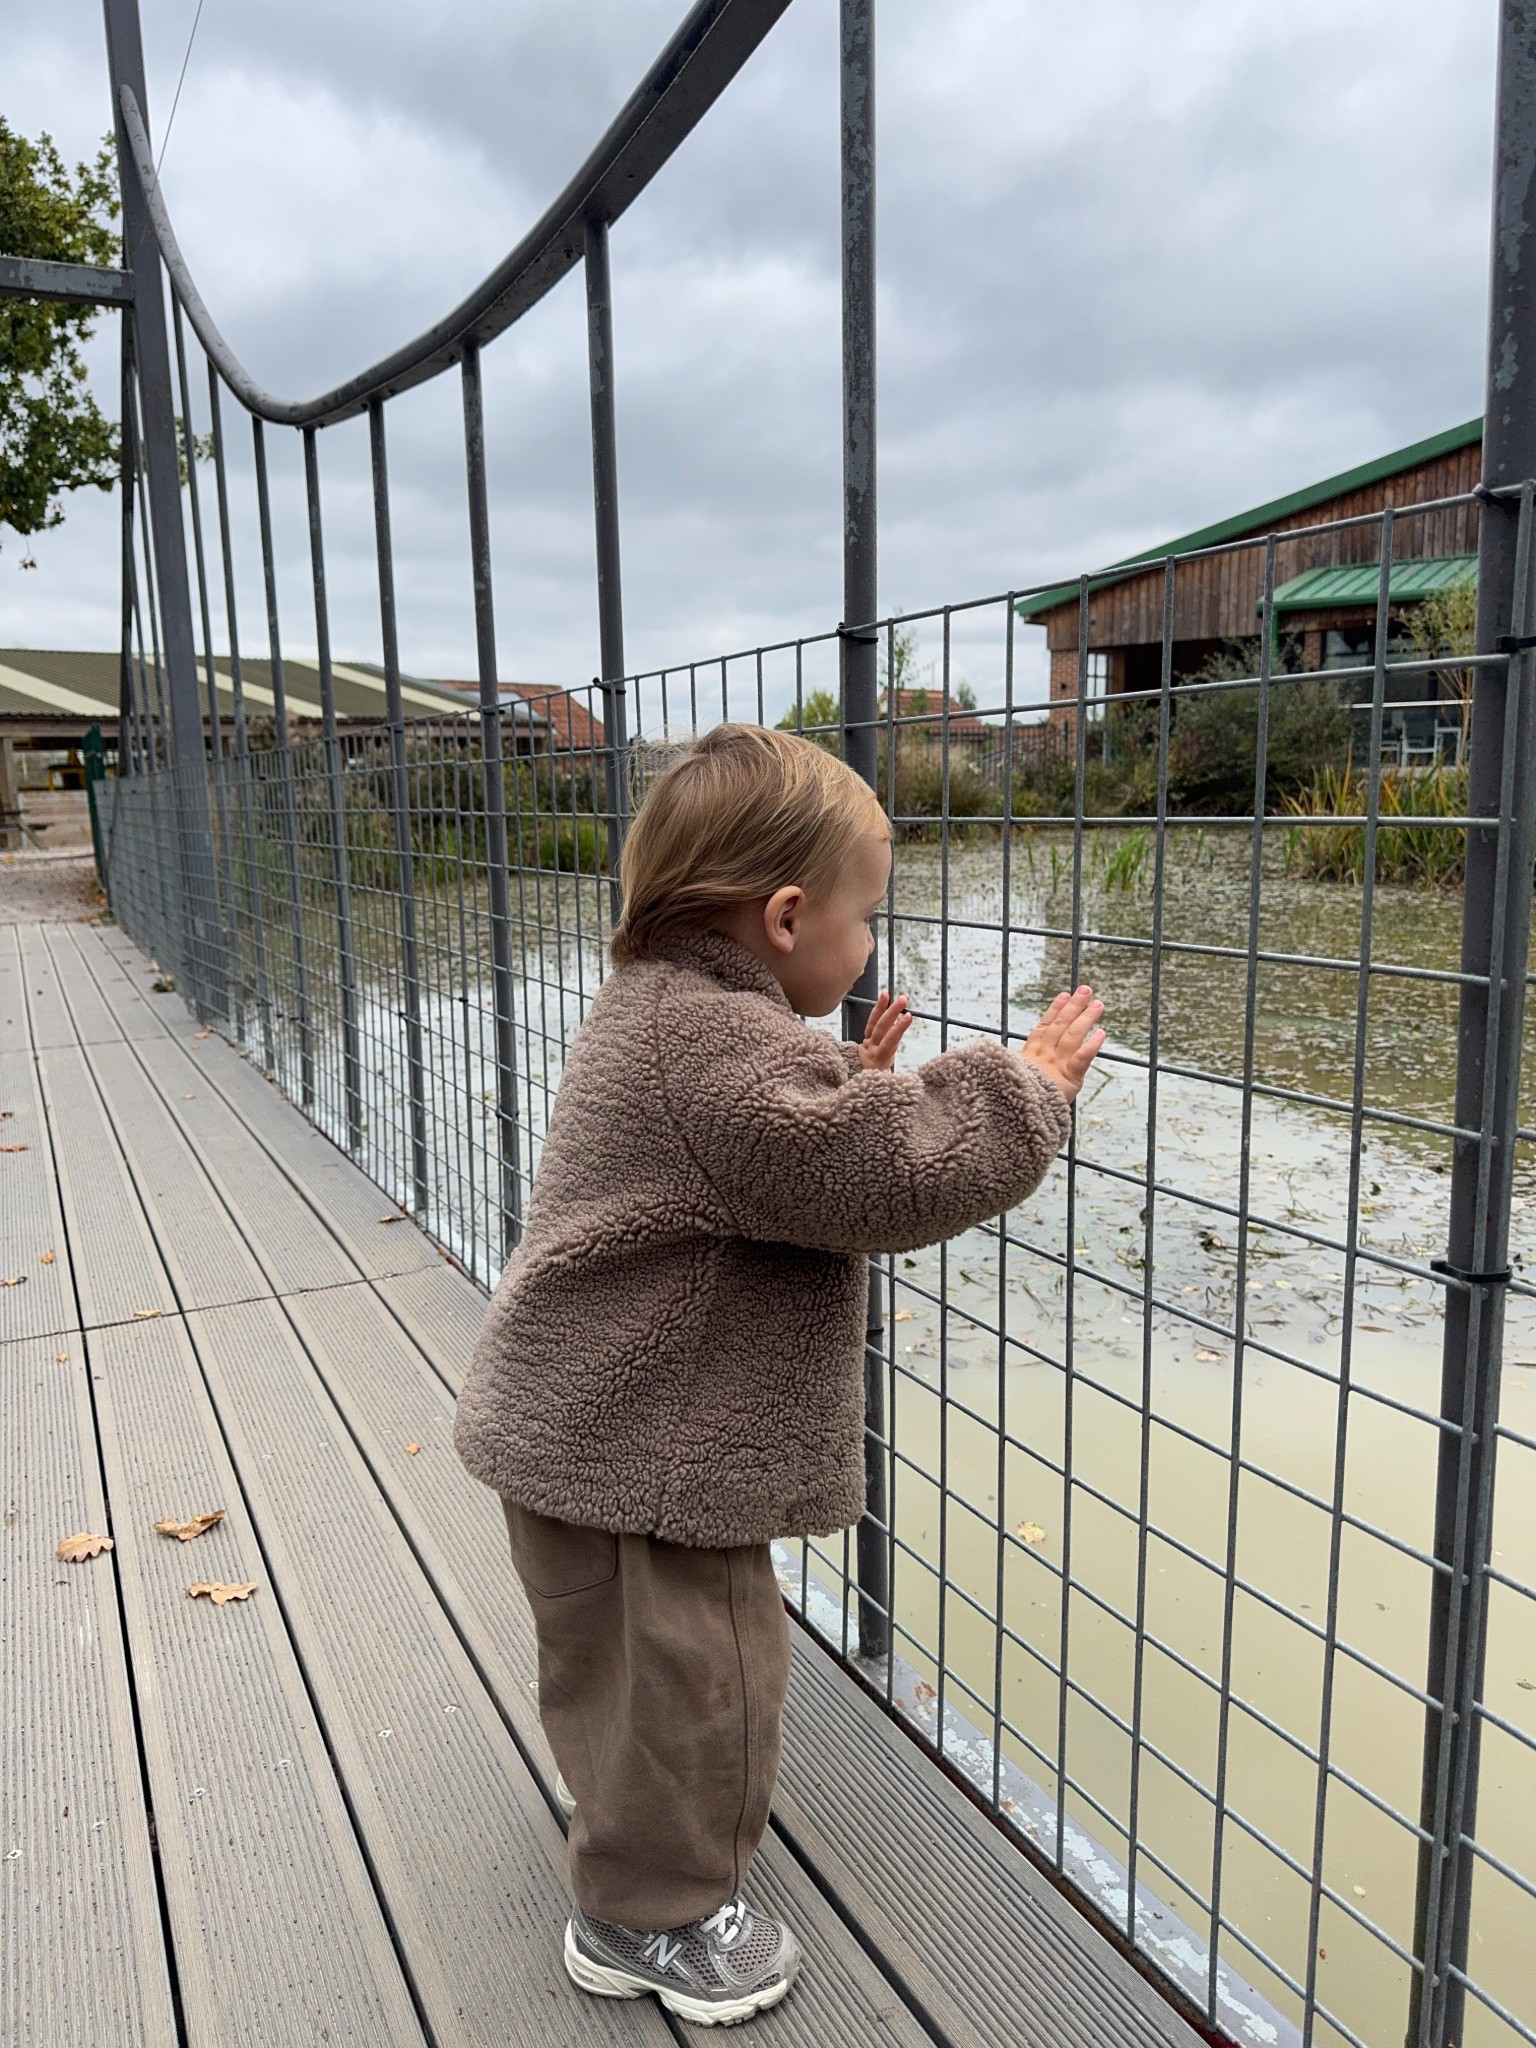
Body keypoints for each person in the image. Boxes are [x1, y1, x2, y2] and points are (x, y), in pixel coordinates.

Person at [453, 723, 1105, 2026]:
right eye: (866, 918)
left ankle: (632, 1835)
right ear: (788, 915)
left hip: (588, 1426)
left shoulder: (675, 1014)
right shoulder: (721, 1051)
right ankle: (655, 1921)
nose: (870, 947)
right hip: (646, 1451)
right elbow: (883, 1173)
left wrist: (854, 1079)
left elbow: (774, 1158)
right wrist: (1027, 1084)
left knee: (621, 1671)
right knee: (706, 1679)